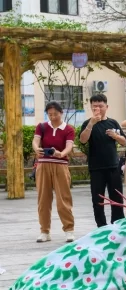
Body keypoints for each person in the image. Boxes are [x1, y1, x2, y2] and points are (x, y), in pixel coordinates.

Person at [79, 93, 126, 227]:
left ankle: (117, 224)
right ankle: (101, 226)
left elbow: (124, 142)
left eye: (100, 106)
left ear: (107, 106)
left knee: (117, 198)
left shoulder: (113, 123)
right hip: (96, 168)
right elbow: (83, 140)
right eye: (95, 106)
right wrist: (91, 123)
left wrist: (116, 136)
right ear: (91, 107)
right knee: (98, 200)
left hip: (113, 166)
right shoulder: (87, 123)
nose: (98, 109)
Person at [33, 101, 75, 243]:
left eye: (55, 114)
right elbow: (35, 141)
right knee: (43, 199)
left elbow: (69, 146)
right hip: (43, 165)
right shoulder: (42, 127)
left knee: (63, 199)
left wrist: (61, 153)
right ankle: (44, 231)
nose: (52, 117)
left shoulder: (68, 129)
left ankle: (69, 230)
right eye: (50, 114)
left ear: (61, 113)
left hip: (60, 165)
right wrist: (36, 149)